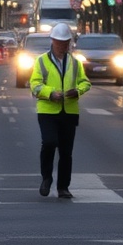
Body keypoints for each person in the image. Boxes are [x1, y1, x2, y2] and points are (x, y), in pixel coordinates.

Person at [29, 22, 90, 199]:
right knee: (49, 142)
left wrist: (77, 91)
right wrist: (50, 94)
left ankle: (63, 187)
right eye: (60, 42)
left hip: (69, 111)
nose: (63, 45)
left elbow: (85, 82)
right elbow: (34, 84)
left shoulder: (76, 63)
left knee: (66, 151)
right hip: (47, 110)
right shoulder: (41, 61)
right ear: (52, 41)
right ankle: (46, 178)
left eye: (66, 42)